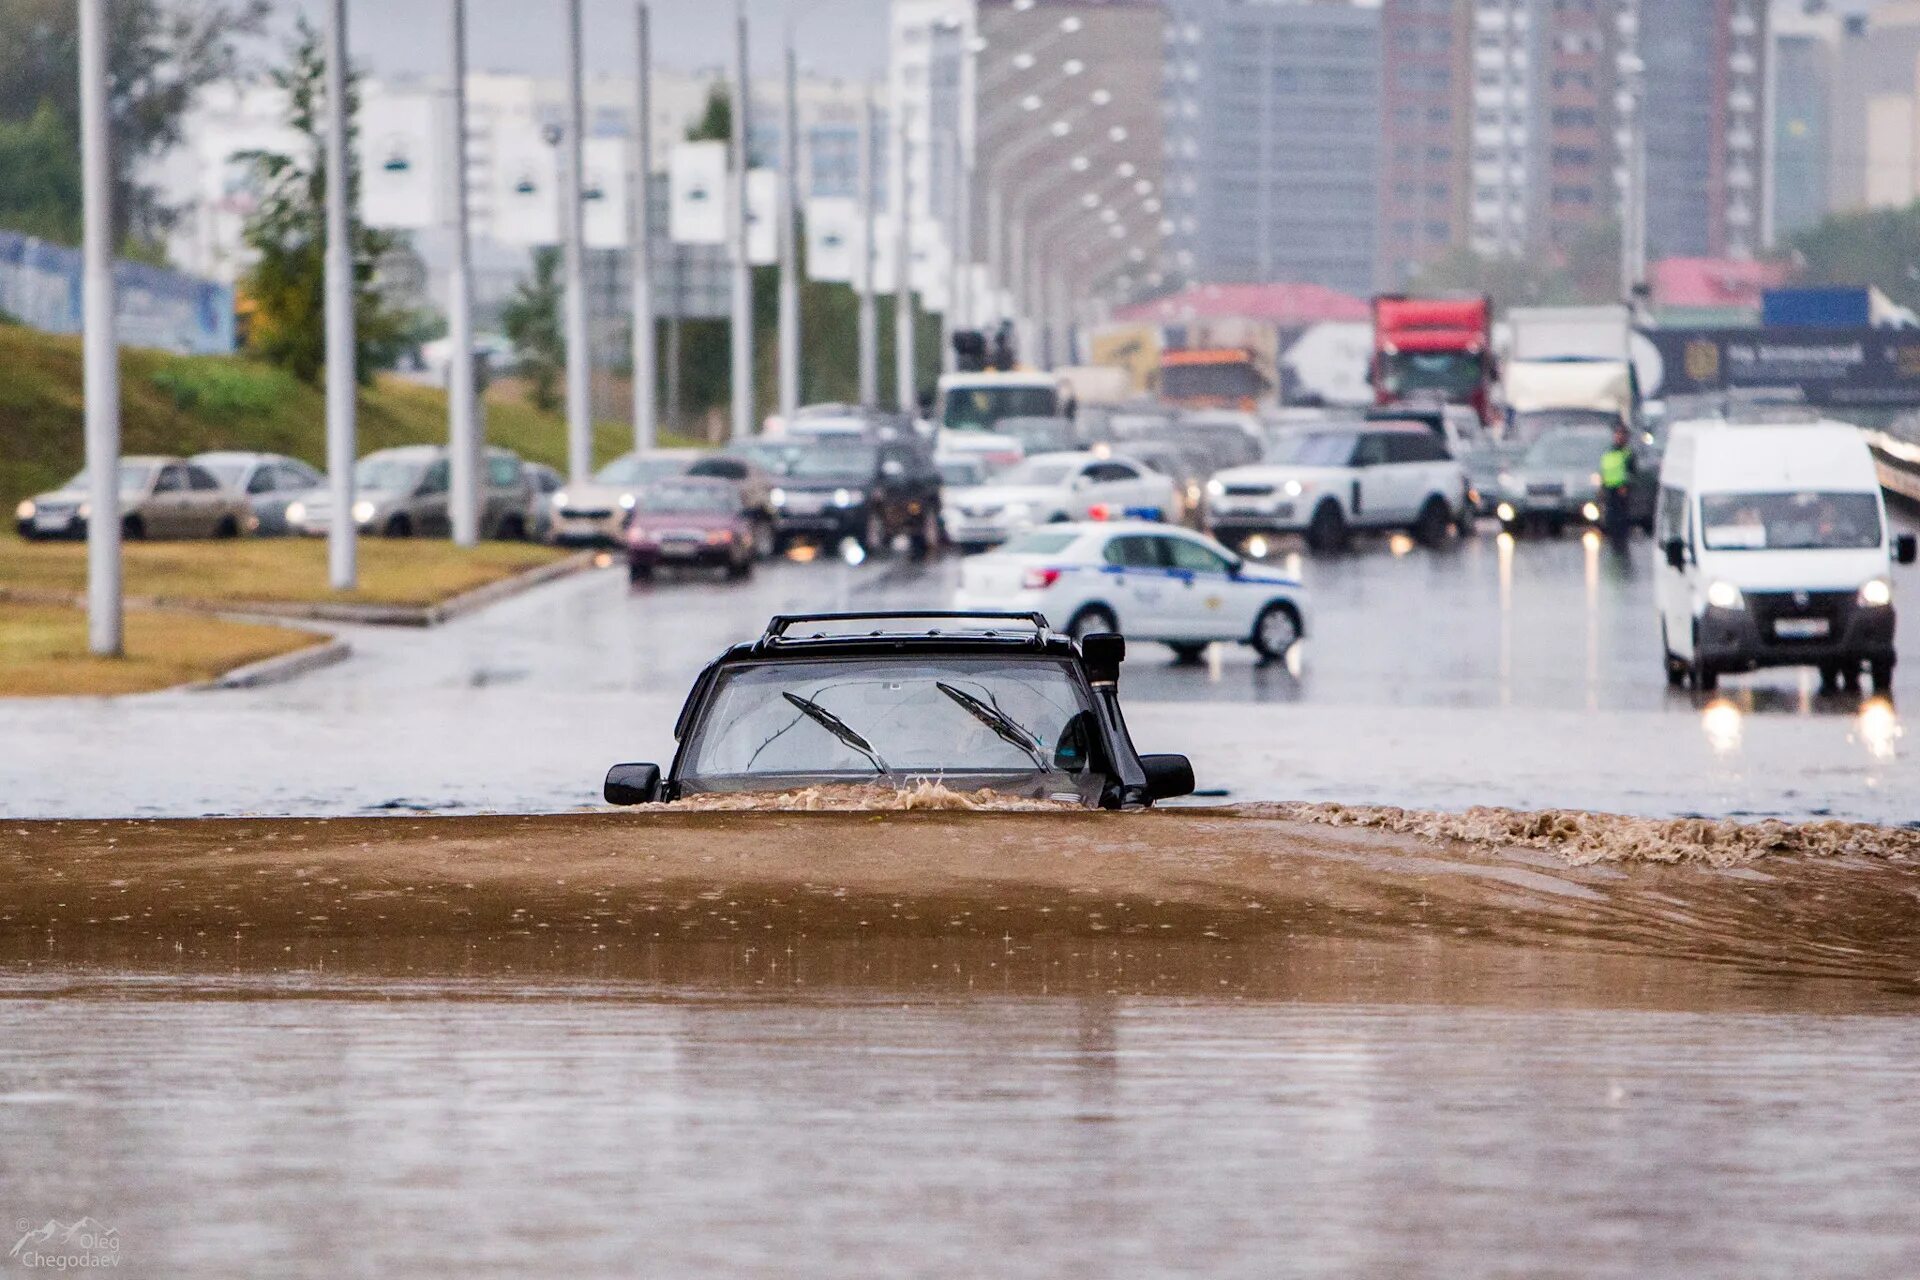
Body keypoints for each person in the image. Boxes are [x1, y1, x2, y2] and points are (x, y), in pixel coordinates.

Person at [1599, 423, 1636, 546]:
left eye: (1622, 434)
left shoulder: (1628, 454)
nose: (1619, 437)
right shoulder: (1608, 452)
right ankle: (1613, 537)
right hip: (1610, 489)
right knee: (1610, 517)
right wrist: (1602, 487)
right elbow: (1604, 471)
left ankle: (1620, 539)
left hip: (1622, 490)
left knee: (1621, 517)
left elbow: (1632, 473)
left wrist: (1626, 486)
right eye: (1618, 434)